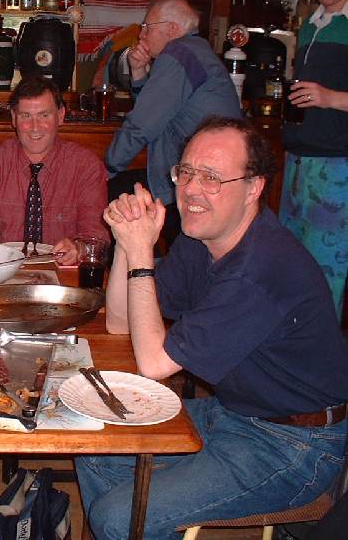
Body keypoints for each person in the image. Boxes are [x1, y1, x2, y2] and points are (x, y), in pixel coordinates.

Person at [75, 116, 348, 540]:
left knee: (117, 517)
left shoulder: (260, 268)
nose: (191, 189)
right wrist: (127, 244)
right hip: (234, 412)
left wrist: (142, 252)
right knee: (97, 448)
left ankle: (133, 522)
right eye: (185, 172)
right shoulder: (201, 239)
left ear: (253, 188)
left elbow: (154, 364)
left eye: (212, 177)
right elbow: (120, 321)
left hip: (294, 444)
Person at [105, 0, 241, 246]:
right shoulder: (194, 50)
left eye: (147, 27)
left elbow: (142, 124)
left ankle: (131, 264)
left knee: (111, 201)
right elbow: (157, 111)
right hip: (210, 176)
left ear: (171, 29)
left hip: (200, 181)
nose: (141, 35)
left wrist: (107, 168)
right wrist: (139, 71)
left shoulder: (179, 54)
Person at [0, 75, 107, 265]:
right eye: (26, 116)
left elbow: (96, 235)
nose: (34, 128)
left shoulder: (86, 166)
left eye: (44, 115)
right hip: (2, 270)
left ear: (60, 116)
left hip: (61, 273)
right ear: (13, 118)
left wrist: (79, 247)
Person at [280, 0, 348, 322]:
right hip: (298, 163)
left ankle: (321, 351)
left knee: (326, 274)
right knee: (292, 268)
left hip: (336, 169)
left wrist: (330, 98)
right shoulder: (310, 25)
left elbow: (325, 96)